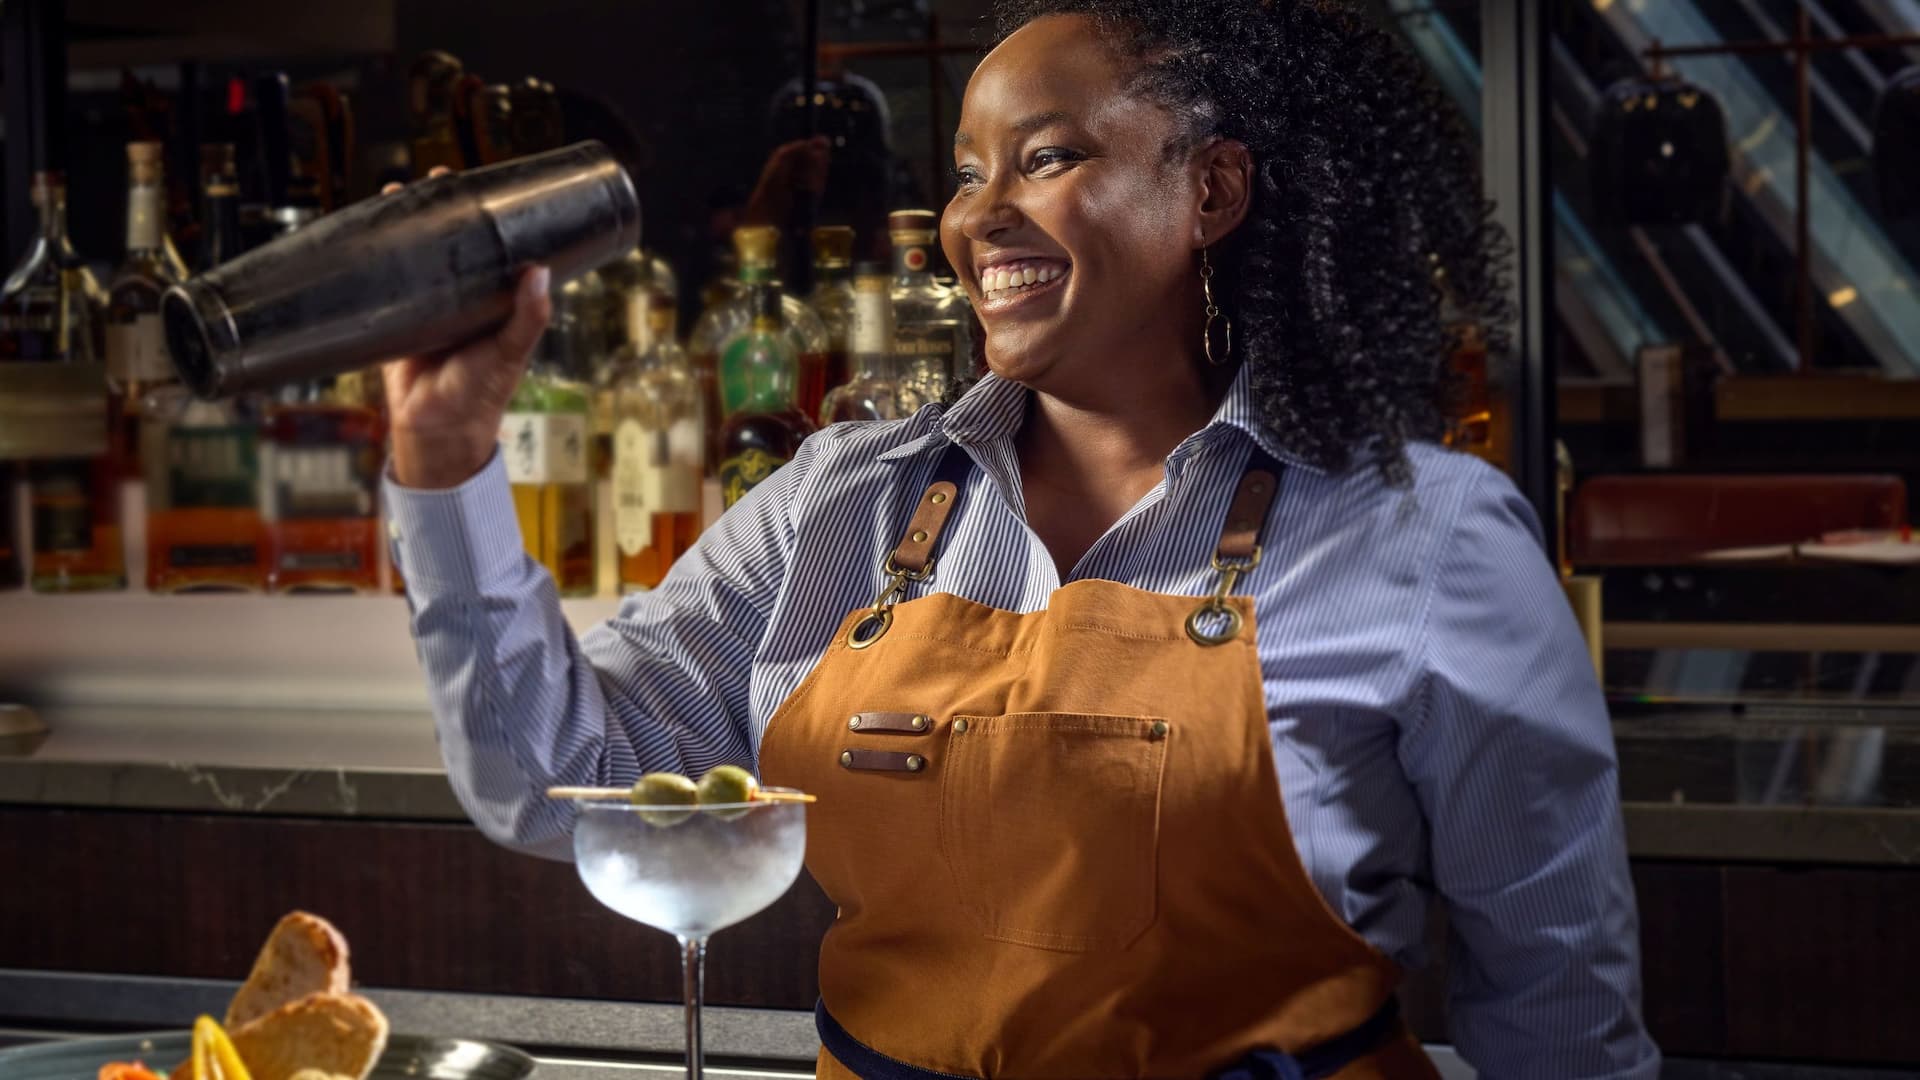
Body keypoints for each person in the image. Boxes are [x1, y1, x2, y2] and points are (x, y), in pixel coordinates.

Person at [379, 1, 1660, 1076]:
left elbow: (1559, 999)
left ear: (1210, 189)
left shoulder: (1424, 537)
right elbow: (552, 774)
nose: (978, 215)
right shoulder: (840, 504)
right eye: (967, 170)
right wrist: (446, 466)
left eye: (1044, 158)